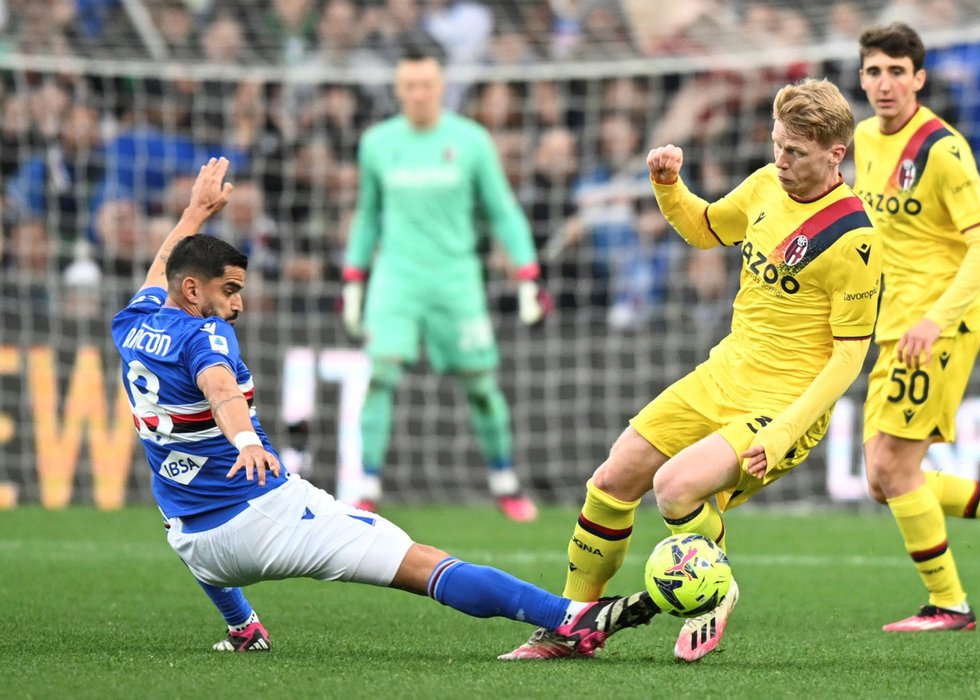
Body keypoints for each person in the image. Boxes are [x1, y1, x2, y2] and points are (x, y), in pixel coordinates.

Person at [110, 157, 658, 655]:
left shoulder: (133, 323)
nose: (237, 305)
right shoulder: (205, 337)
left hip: (193, 544)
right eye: (228, 290)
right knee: (421, 562)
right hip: (266, 517)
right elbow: (219, 387)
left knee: (183, 497)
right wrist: (247, 442)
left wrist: (194, 213)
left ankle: (243, 626)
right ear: (191, 291)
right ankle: (569, 617)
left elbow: (164, 265)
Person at [501, 78, 883, 661]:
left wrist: (784, 430)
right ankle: (572, 625)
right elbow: (705, 228)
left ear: (836, 154)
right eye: (777, 143)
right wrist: (667, 186)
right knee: (610, 481)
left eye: (795, 152)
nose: (780, 160)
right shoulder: (762, 185)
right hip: (722, 375)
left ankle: (718, 590)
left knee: (674, 488)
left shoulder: (854, 240)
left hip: (783, 407)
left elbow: (850, 354)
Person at [853, 22, 980, 634]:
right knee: (884, 481)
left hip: (938, 327)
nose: (883, 84)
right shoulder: (860, 139)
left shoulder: (941, 148)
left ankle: (949, 604)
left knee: (892, 471)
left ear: (919, 77)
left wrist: (935, 319)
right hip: (892, 327)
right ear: (861, 78)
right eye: (873, 72)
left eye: (895, 71)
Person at [341, 49, 548, 521]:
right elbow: (368, 215)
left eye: (426, 85)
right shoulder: (377, 143)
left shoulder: (471, 141)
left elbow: (502, 210)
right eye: (409, 86)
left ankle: (504, 479)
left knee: (480, 385)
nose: (418, 94)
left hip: (456, 279)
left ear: (440, 87)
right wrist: (354, 278)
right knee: (380, 375)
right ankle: (366, 485)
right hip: (397, 279)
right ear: (399, 90)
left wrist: (527, 274)